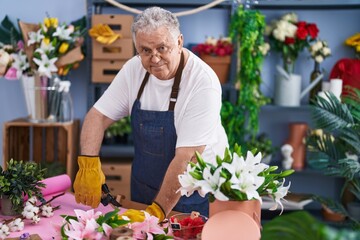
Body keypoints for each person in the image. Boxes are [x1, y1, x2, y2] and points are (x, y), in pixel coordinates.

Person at [73, 6, 228, 219]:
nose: (154, 59)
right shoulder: (134, 70)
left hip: (192, 193)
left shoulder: (202, 83)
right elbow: (97, 116)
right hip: (144, 190)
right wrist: (88, 163)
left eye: (162, 48)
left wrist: (156, 213)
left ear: (179, 42)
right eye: (145, 50)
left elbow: (186, 158)